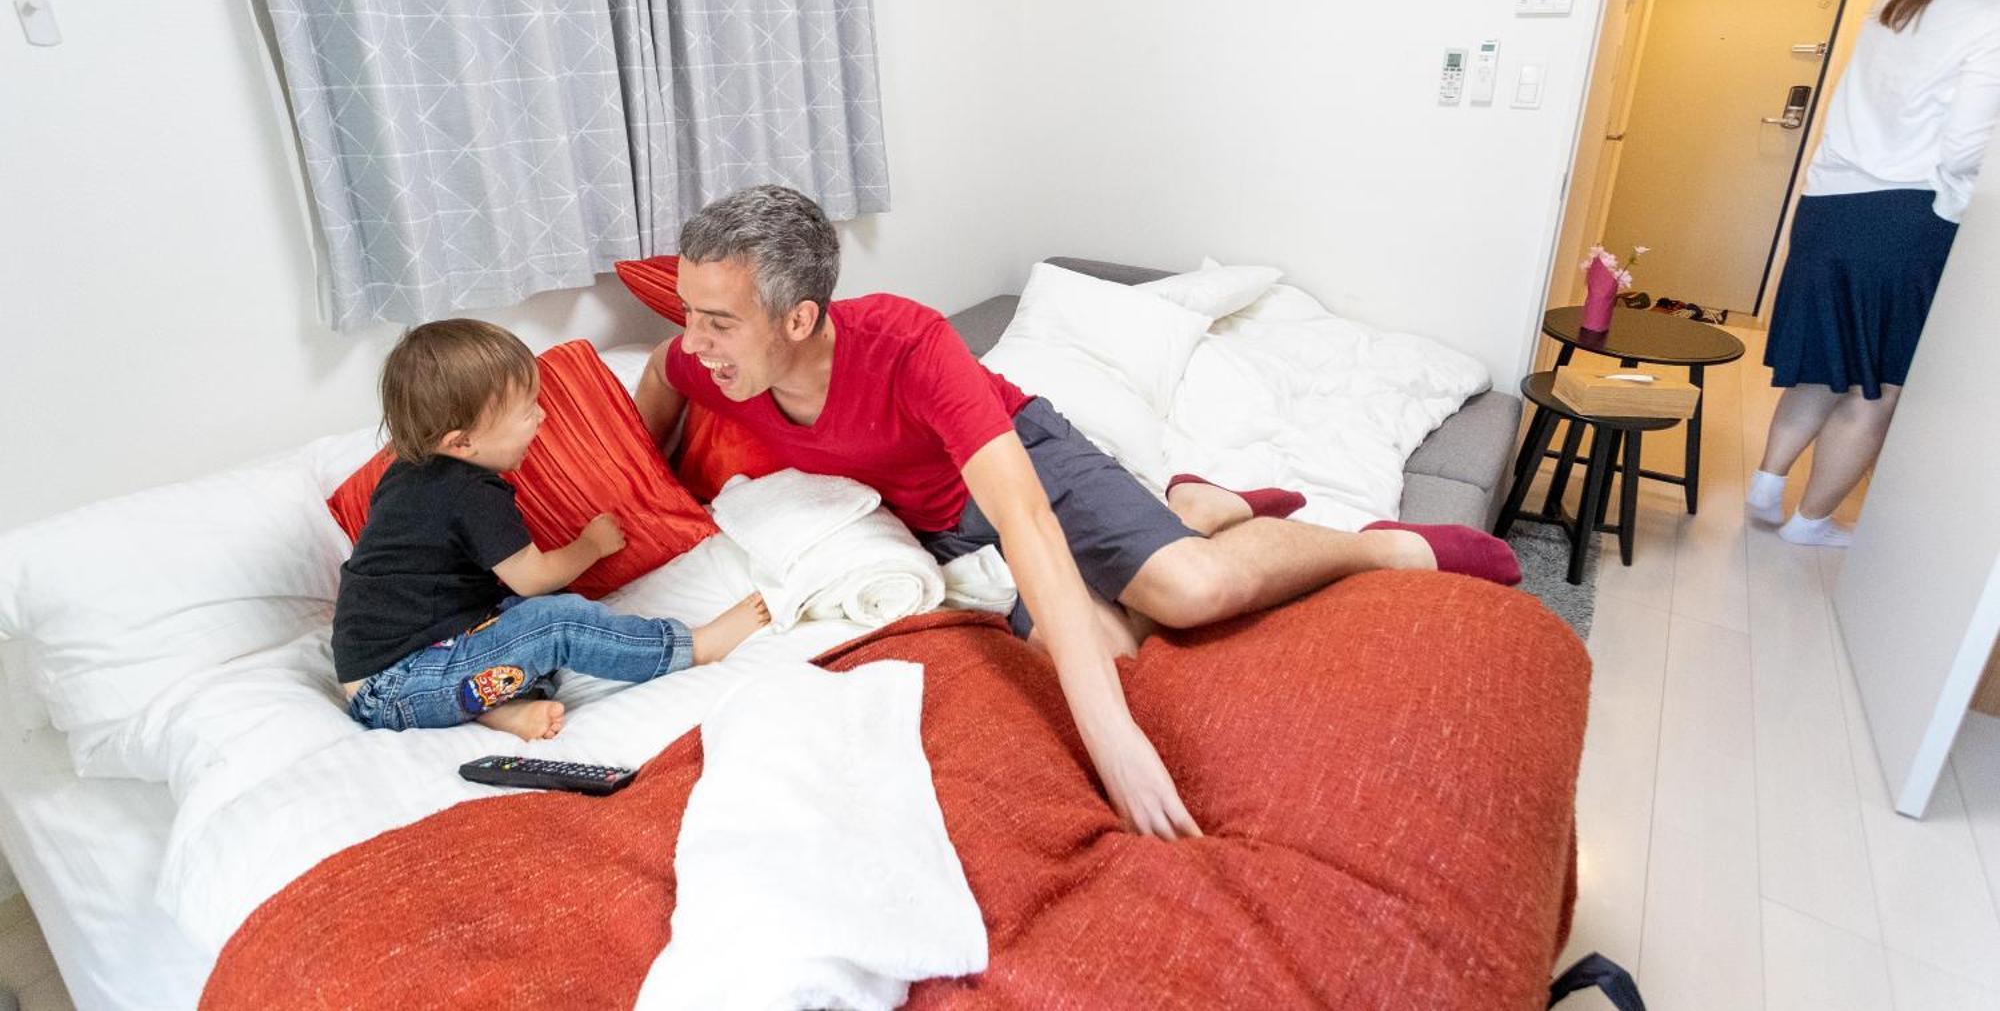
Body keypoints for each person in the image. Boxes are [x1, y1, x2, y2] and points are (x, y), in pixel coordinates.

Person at [635, 185, 1520, 840]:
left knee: (1189, 593)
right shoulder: (705, 366)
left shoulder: (907, 341)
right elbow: (656, 391)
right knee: (1115, 650)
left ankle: (1380, 548)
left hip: (1023, 458)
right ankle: (1197, 503)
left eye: (717, 320)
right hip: (941, 525)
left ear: (798, 317)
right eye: (687, 314)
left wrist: (1116, 742)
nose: (694, 341)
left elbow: (1025, 518)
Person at [333, 319, 769, 740]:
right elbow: (534, 579)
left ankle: (501, 712)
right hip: (398, 685)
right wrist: (590, 547)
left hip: (416, 664)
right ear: (461, 442)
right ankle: (690, 647)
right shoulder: (469, 493)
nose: (542, 417)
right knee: (555, 623)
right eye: (526, 413)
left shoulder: (408, 474)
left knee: (515, 623)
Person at [1750, 0, 2000, 547]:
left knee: (1825, 365)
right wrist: (1952, 223)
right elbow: (1964, 151)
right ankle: (1811, 523)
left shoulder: (1898, 2)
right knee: (1876, 387)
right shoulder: (1993, 19)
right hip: (1904, 219)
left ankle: (1767, 487)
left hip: (1830, 205)